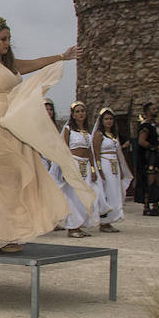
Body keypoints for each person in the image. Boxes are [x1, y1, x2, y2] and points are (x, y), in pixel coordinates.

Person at [0, 0, 91, 252]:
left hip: (12, 122)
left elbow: (33, 64)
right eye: (3, 39)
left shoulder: (10, 64)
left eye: (9, 38)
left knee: (12, 180)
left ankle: (10, 233)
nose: (8, 43)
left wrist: (61, 57)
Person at [55, 101, 106, 237]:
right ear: (73, 114)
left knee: (85, 195)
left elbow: (90, 151)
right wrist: (66, 168)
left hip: (86, 166)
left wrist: (93, 169)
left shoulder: (87, 132)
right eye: (77, 111)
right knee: (73, 195)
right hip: (74, 164)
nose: (81, 113)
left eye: (82, 111)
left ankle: (79, 225)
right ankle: (72, 227)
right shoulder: (68, 130)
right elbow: (64, 149)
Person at [91, 107, 132, 231]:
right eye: (106, 119)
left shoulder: (113, 135)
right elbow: (96, 153)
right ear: (102, 121)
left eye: (111, 119)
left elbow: (117, 153)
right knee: (107, 192)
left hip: (114, 167)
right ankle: (103, 221)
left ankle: (110, 220)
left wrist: (120, 169)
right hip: (105, 165)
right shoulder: (99, 134)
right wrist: (99, 170)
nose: (109, 121)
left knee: (114, 192)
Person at [132, 103, 159, 216]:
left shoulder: (155, 125)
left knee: (157, 181)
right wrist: (154, 148)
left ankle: (156, 205)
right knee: (150, 181)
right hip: (149, 157)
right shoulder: (145, 125)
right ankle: (146, 207)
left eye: (156, 108)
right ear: (147, 112)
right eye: (153, 109)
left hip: (157, 157)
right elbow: (142, 141)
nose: (156, 110)